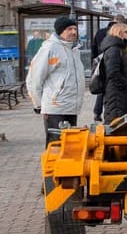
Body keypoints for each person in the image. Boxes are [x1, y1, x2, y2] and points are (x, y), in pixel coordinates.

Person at [26, 17, 86, 146]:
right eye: (69, 29)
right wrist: (38, 104)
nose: (74, 32)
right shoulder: (50, 48)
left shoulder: (74, 50)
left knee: (69, 145)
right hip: (55, 107)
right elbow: (35, 77)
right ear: (60, 31)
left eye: (75, 29)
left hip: (71, 107)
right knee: (56, 146)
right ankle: (52, 167)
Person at [97, 20, 127, 125]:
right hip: (116, 95)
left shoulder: (119, 48)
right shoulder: (114, 49)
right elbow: (113, 73)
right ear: (119, 33)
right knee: (116, 123)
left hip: (120, 93)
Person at [91, 17, 123, 121]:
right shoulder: (114, 39)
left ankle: (97, 112)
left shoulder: (100, 32)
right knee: (109, 91)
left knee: (102, 90)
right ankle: (104, 113)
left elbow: (94, 48)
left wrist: (95, 61)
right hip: (110, 63)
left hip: (101, 63)